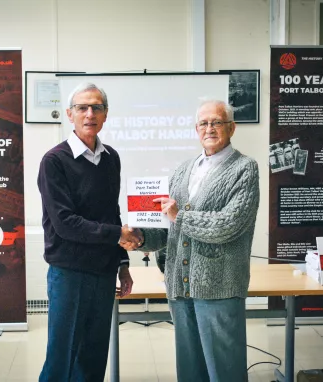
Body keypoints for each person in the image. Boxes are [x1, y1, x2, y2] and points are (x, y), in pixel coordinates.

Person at [123, 99, 260, 382]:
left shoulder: (245, 168)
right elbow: (169, 230)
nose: (210, 128)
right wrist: (141, 238)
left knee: (225, 369)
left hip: (219, 285)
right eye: (204, 123)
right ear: (196, 129)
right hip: (179, 285)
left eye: (217, 122)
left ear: (231, 128)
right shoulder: (182, 170)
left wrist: (179, 216)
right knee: (190, 369)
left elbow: (229, 224)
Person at [37, 82, 142, 382]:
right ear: (70, 114)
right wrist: (116, 235)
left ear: (106, 114)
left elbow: (112, 213)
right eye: (82, 107)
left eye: (97, 107)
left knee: (94, 357)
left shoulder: (111, 158)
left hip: (104, 272)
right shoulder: (54, 161)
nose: (89, 113)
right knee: (62, 358)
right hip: (69, 272)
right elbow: (64, 223)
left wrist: (122, 265)